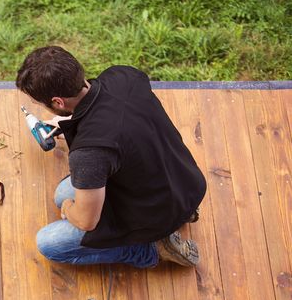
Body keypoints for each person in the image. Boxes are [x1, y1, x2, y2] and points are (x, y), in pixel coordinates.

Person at [15, 45, 206, 268]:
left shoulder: (88, 153)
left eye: (41, 103)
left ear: (58, 102)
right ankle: (183, 214)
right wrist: (68, 123)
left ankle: (150, 250)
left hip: (155, 213)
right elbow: (113, 118)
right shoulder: (124, 76)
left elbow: (87, 221)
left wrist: (68, 208)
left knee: (50, 242)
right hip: (187, 185)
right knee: (61, 194)